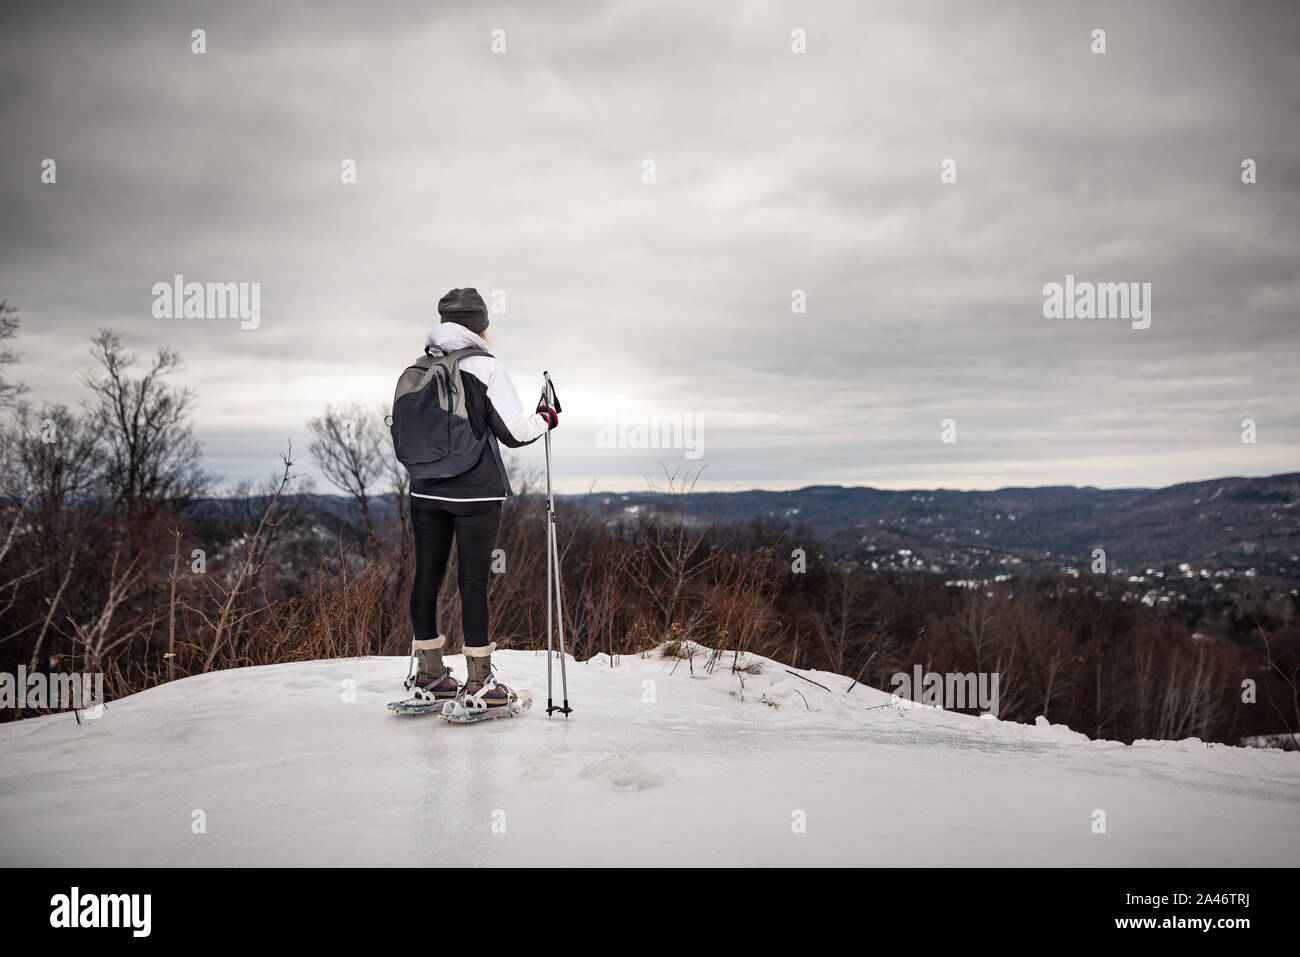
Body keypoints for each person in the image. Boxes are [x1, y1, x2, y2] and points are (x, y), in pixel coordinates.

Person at [406, 287, 559, 708]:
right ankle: (480, 685)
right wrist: (546, 417)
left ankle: (430, 677)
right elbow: (513, 433)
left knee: (426, 581)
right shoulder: (485, 367)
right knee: (472, 584)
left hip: (424, 489)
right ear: (480, 326)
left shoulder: (422, 365)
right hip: (475, 494)